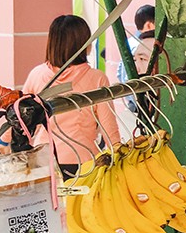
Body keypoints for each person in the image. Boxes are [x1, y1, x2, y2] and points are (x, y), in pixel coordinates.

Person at [24, 13, 119, 168]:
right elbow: (109, 127)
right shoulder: (97, 78)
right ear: (84, 44)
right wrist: (119, 153)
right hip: (83, 160)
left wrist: (4, 142)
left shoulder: (37, 75)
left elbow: (20, 117)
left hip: (44, 160)